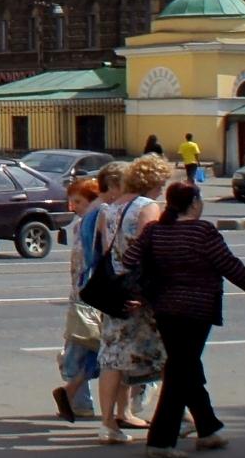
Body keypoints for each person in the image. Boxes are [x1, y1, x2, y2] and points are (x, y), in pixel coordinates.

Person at [124, 180, 245, 458]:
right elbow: (229, 265)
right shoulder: (202, 231)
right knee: (181, 371)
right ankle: (160, 442)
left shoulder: (155, 231)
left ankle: (207, 430)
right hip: (196, 310)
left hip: (164, 309)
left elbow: (130, 258)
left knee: (185, 367)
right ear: (193, 203)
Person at [93, 155, 172, 442]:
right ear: (152, 182)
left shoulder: (109, 209)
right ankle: (179, 416)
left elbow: (105, 249)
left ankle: (107, 423)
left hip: (114, 291)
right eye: (162, 182)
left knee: (112, 357)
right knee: (165, 355)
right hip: (138, 295)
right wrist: (142, 290)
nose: (163, 188)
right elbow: (147, 253)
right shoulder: (147, 208)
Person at [52, 176, 104, 422]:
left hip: (89, 297)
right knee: (85, 349)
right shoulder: (83, 225)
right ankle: (77, 399)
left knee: (85, 350)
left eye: (78, 201)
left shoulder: (93, 223)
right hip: (83, 297)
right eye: (71, 201)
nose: (73, 207)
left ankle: (77, 398)